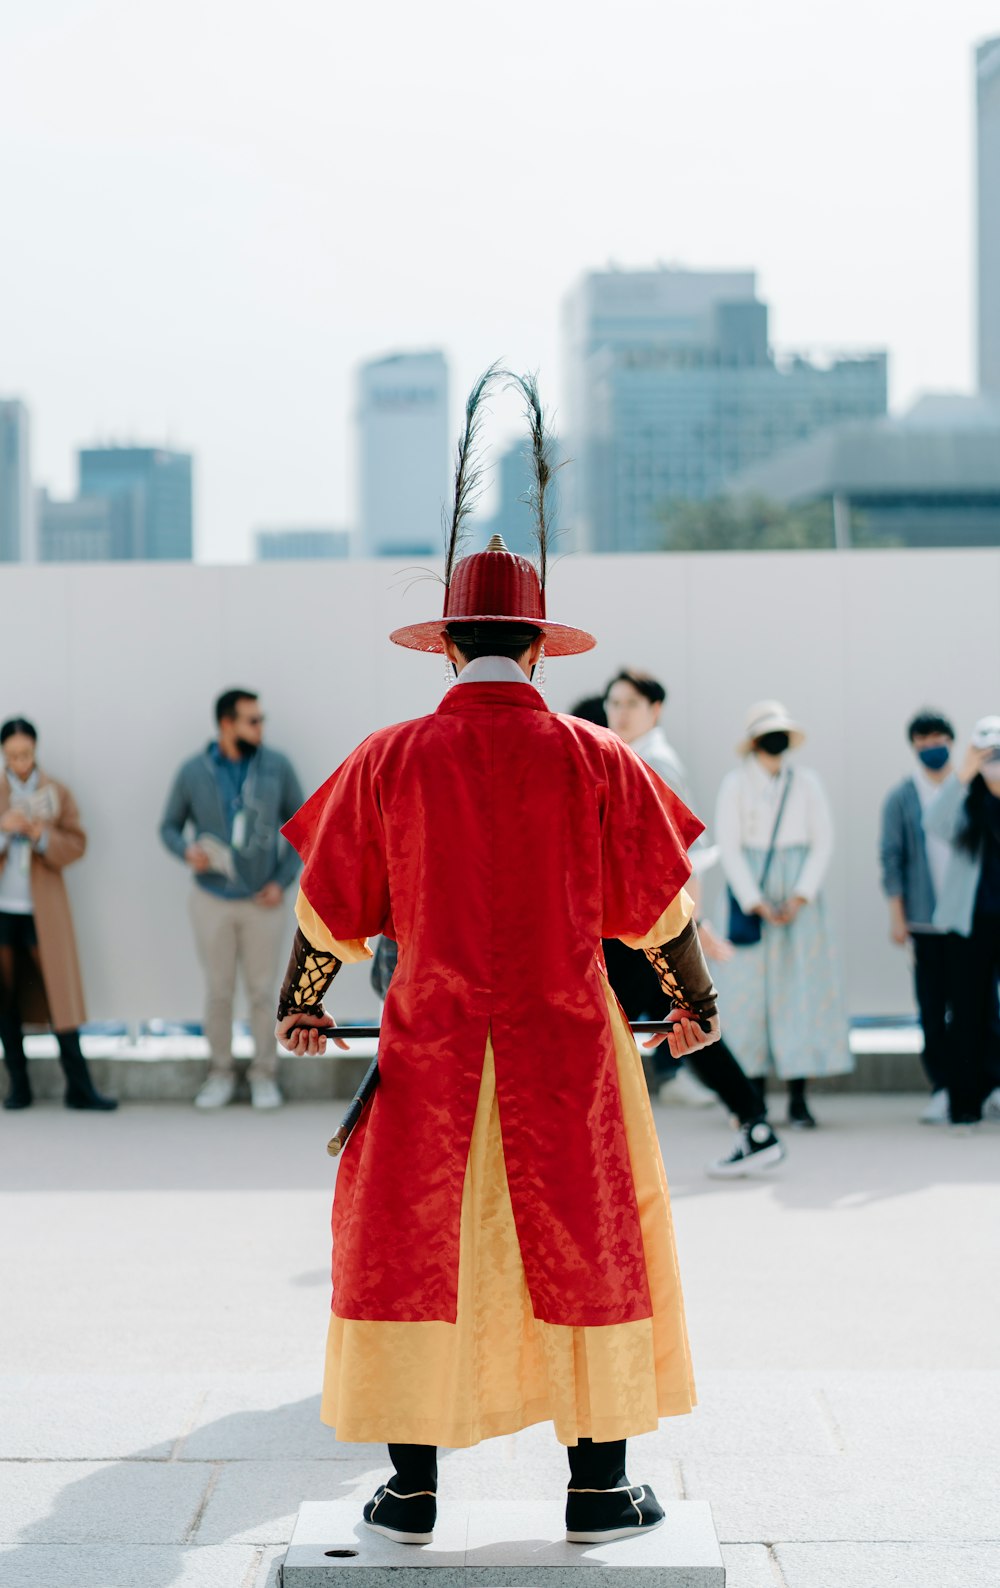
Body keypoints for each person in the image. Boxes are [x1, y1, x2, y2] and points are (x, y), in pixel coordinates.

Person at [274, 370, 720, 1547]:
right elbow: (659, 908)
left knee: (411, 1248)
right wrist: (696, 1007)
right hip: (566, 1047)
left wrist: (302, 1008)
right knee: (590, 1236)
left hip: (427, 1044)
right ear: (531, 645)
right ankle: (598, 1487)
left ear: (449, 644)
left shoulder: (388, 758)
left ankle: (411, 1489)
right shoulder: (594, 758)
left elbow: (326, 909)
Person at [600, 670, 785, 1177]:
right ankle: (754, 1123)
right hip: (637, 926)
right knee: (677, 1025)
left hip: (647, 930)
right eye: (613, 703)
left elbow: (685, 857)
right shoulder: (632, 756)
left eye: (631, 704)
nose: (619, 713)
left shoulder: (652, 762)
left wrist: (692, 927)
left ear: (655, 709)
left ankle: (755, 1123)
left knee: (684, 1023)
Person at [160, 689, 304, 1110]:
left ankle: (264, 1074)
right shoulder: (193, 771)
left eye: (261, 720)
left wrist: (281, 882)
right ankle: (220, 1074)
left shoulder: (277, 767)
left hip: (264, 902)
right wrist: (187, 851)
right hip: (212, 900)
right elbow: (169, 826)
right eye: (252, 721)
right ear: (227, 724)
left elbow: (303, 827)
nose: (260, 728)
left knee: (263, 993)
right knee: (219, 992)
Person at [714, 700, 852, 1127]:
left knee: (800, 993)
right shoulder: (735, 784)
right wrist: (754, 899)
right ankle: (751, 1098)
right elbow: (729, 846)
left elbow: (822, 841)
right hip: (750, 896)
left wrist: (800, 895)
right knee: (746, 997)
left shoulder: (806, 782)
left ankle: (798, 1097)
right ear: (754, 741)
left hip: (798, 898)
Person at [0, 718, 116, 1111]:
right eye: (12, 755)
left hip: (43, 909)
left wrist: (40, 835)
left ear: (36, 751)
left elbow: (77, 844)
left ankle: (79, 1087)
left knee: (59, 996)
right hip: (4, 909)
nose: (19, 762)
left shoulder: (56, 792)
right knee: (5, 996)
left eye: (26, 754)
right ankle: (18, 1086)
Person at [879, 709, 958, 1124]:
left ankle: (985, 1083)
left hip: (970, 921)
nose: (931, 748)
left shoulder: (970, 788)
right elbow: (891, 859)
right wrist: (899, 916)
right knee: (932, 1006)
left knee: (979, 1004)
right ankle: (943, 1086)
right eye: (923, 741)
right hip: (925, 922)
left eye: (938, 739)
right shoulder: (903, 797)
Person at [923, 716, 1000, 1129]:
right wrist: (966, 772)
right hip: (969, 925)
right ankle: (964, 1101)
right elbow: (934, 824)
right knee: (966, 1012)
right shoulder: (964, 797)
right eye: (989, 755)